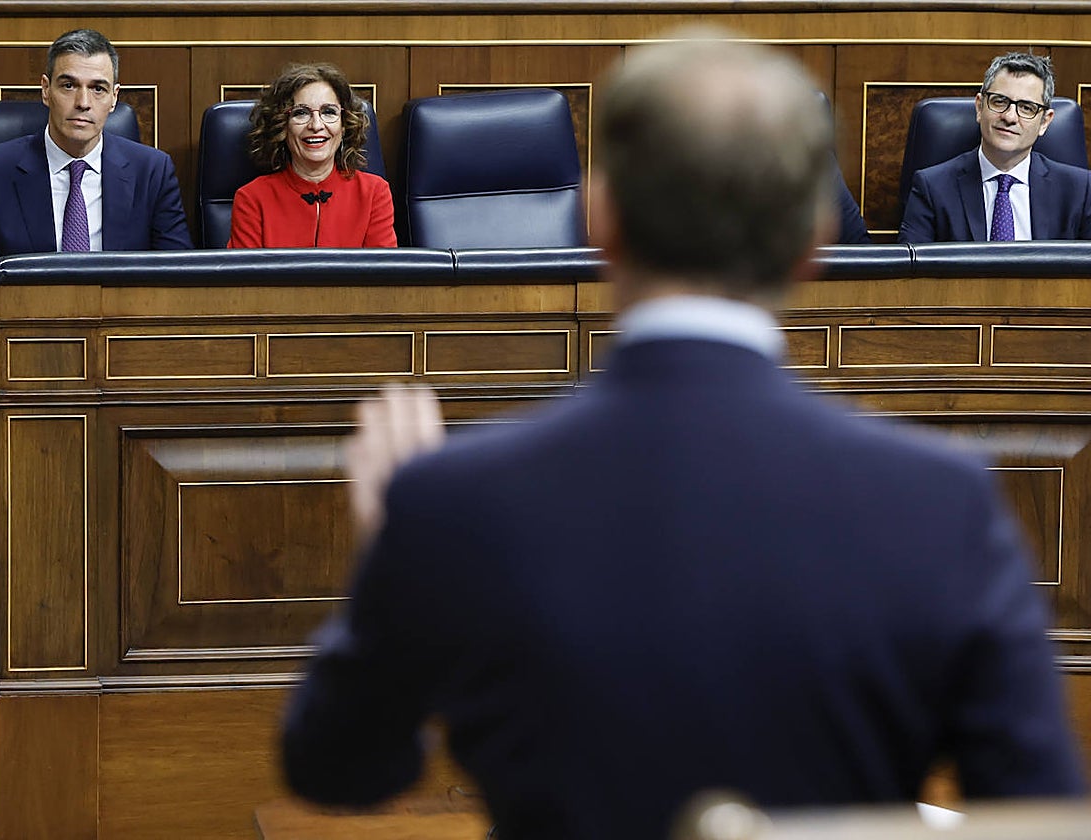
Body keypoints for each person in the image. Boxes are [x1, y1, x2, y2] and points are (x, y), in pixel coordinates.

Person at [281, 31, 1086, 840]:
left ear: (598, 216)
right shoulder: (939, 504)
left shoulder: (455, 497)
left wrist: (397, 562)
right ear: (812, 237)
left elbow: (337, 767)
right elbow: (1042, 819)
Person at [0, 28, 192, 328]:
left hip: (122, 345)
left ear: (114, 98)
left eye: (98, 88)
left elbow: (179, 284)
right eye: (69, 85)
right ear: (46, 90)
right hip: (27, 346)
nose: (83, 102)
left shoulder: (152, 171)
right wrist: (49, 317)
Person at [899, 52, 1091, 243]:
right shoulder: (932, 187)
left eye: (1026, 108)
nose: (1010, 117)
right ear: (979, 107)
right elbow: (912, 271)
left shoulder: (1080, 190)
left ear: (1044, 122)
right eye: (999, 101)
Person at [227, 63, 396, 249]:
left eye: (329, 112)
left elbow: (383, 275)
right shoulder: (252, 198)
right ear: (282, 126)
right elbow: (246, 277)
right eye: (301, 113)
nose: (316, 125)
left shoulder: (374, 193)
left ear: (344, 125)